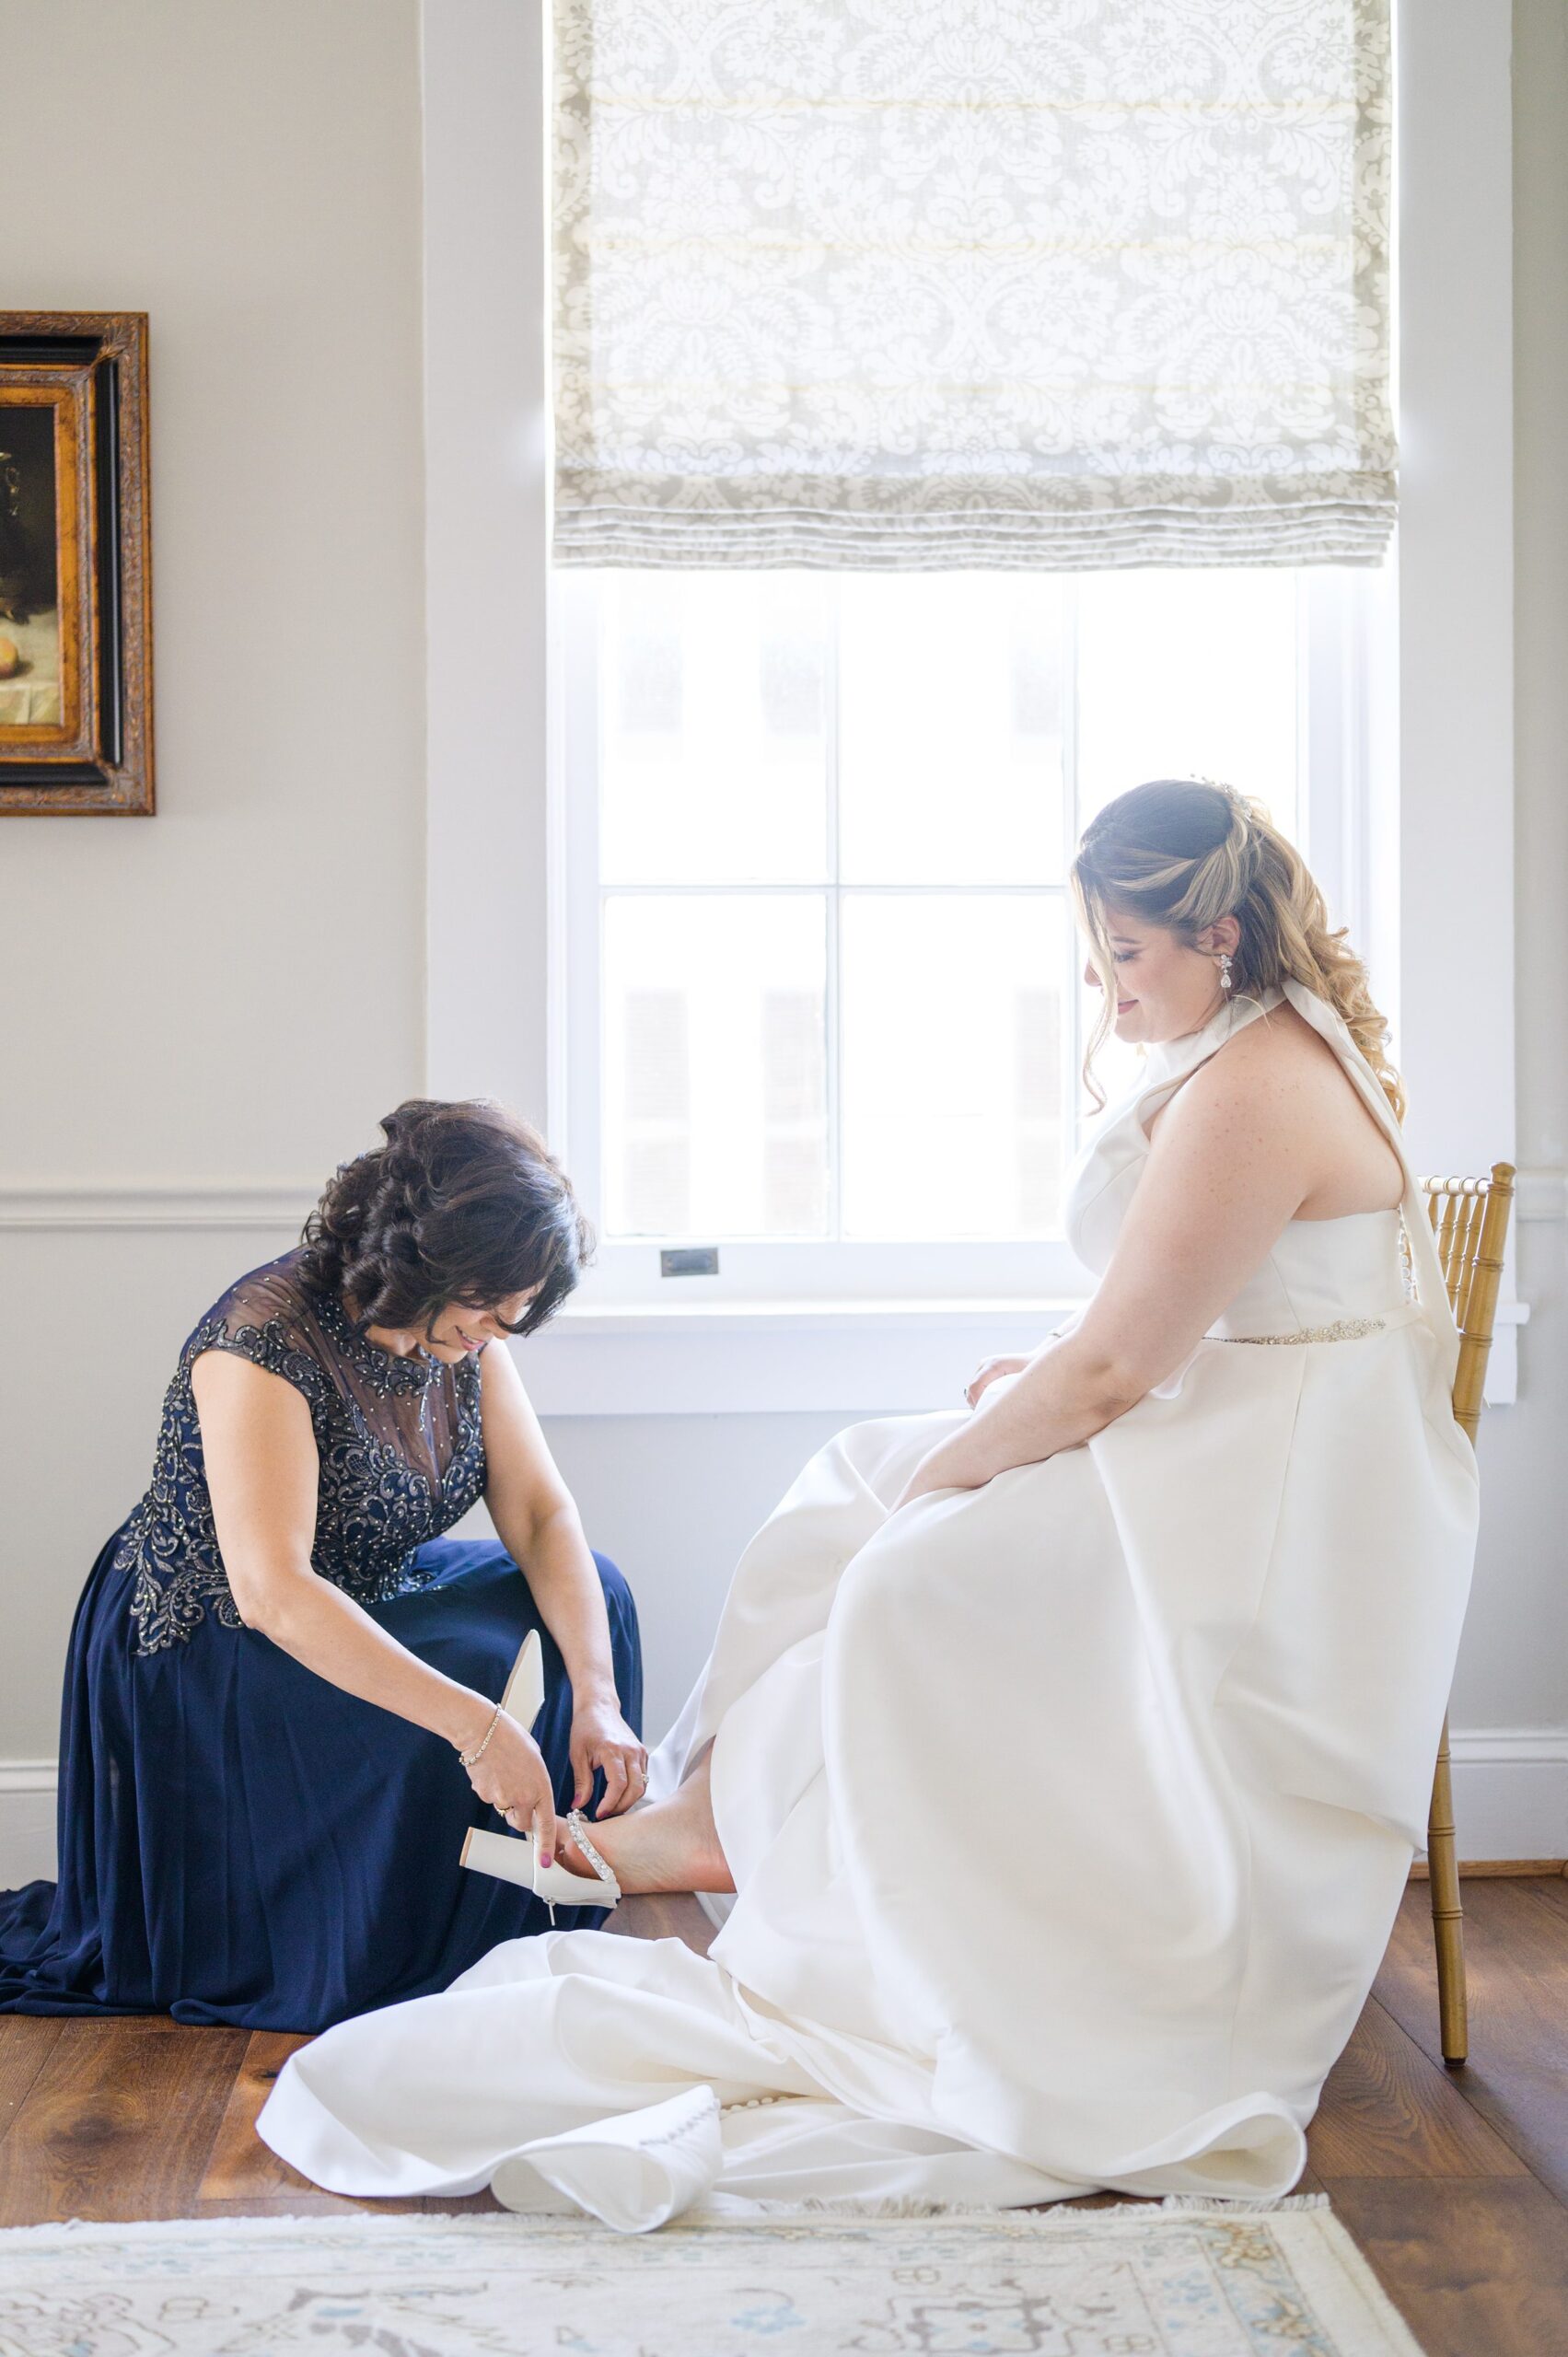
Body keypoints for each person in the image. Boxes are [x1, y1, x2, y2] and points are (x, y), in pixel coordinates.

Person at [259, 783, 1479, 2224]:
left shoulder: (1259, 1079)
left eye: (1125, 960)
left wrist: (974, 1460)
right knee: (856, 1476)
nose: (1107, 995)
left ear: (1217, 935)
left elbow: (1112, 1370)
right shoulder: (1239, 1049)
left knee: (912, 1565)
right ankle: (728, 1810)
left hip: (1294, 1492)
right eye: (1094, 964)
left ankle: (819, 1871)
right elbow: (1194, 1314)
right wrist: (1022, 1400)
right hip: (1240, 1418)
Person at [0, 1099, 645, 2030]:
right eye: (492, 1301)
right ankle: (406, 1945)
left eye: (521, 1306)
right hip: (215, 1638)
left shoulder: (467, 1335)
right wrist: (475, 1730)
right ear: (429, 1262)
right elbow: (274, 1591)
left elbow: (543, 1516)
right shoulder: (261, 1340)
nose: (505, 1323)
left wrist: (597, 1697)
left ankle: (517, 1906)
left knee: (594, 1596)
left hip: (365, 1581)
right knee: (467, 1680)